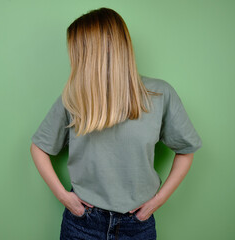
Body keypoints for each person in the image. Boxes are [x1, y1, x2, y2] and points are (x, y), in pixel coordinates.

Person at [30, 7, 202, 240]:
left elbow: (186, 150)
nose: (74, 60)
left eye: (78, 52)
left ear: (96, 53)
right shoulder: (73, 97)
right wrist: (64, 197)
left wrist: (157, 201)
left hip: (137, 226)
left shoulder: (160, 94)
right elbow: (39, 147)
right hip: (82, 224)